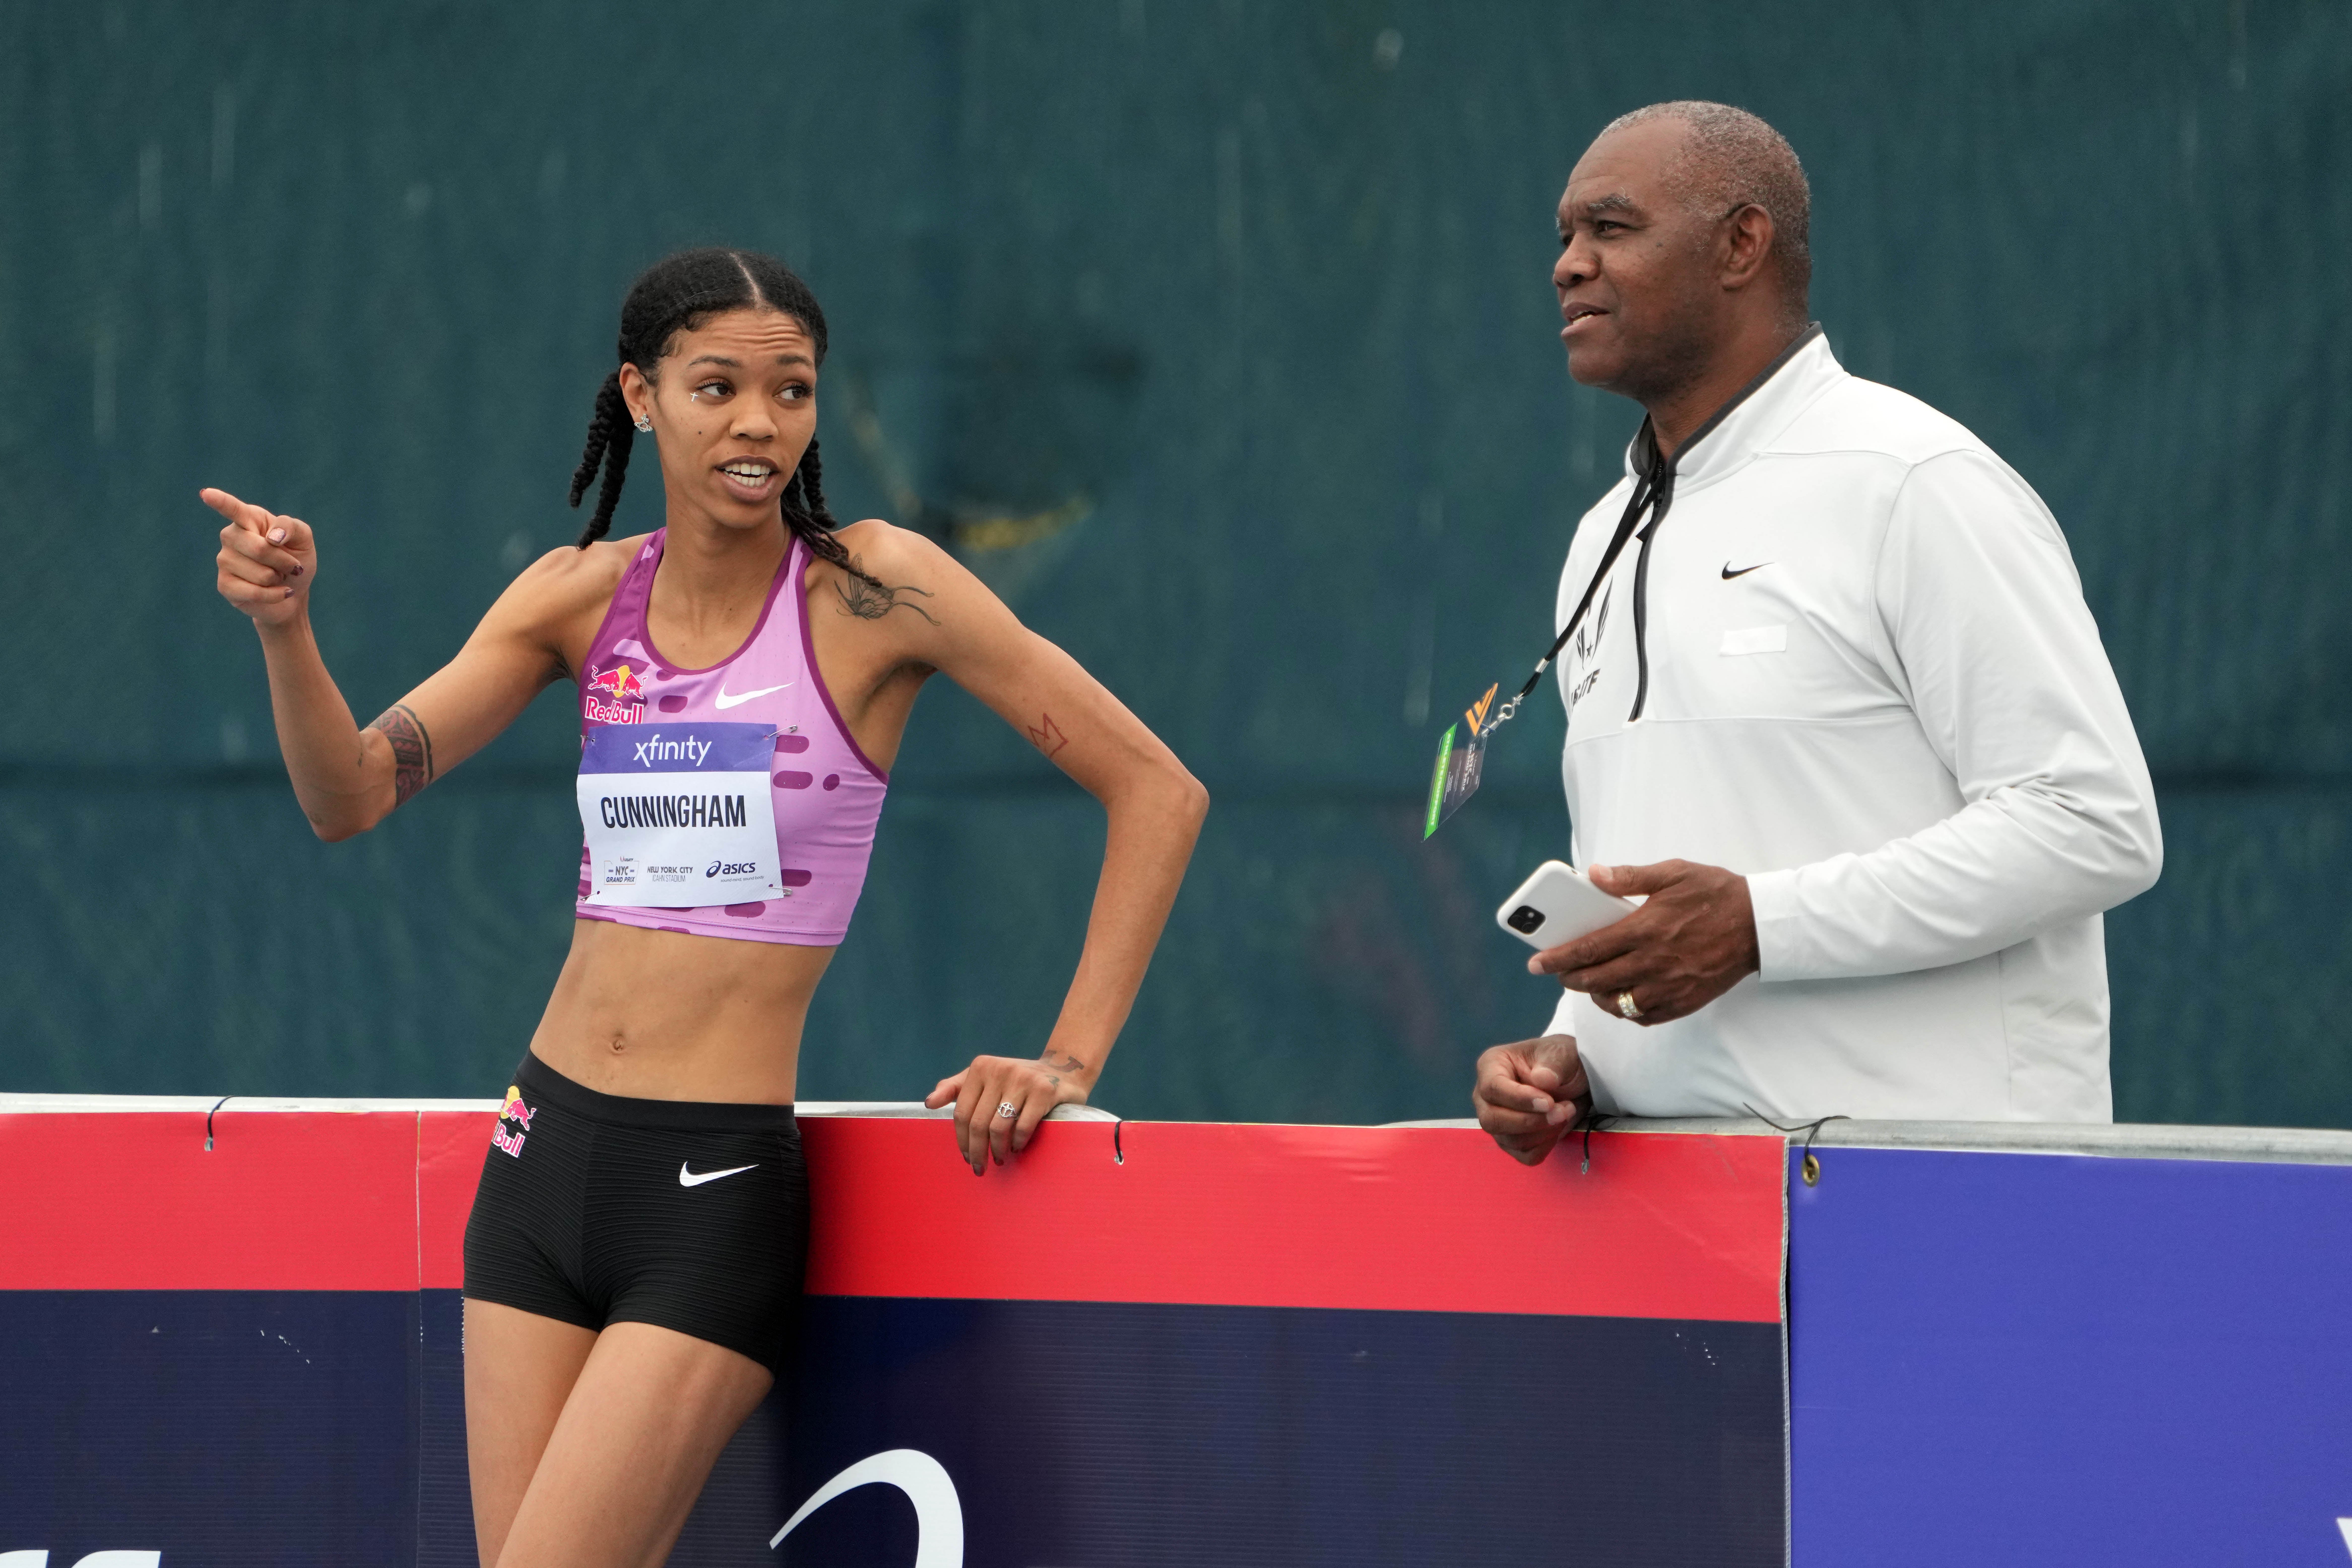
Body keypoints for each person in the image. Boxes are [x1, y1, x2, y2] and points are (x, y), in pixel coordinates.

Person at [206, 247, 1208, 1566]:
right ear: (640, 396)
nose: (758, 424)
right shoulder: (578, 598)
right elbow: (348, 796)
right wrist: (288, 631)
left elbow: (1156, 789)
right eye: (718, 386)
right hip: (535, 1164)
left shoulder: (873, 590)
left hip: (710, 1187)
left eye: (790, 392)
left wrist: (1070, 1058)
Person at [1472, 103, 2160, 1163]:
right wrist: (1578, 1049)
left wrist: (1759, 925)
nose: (1568, 266)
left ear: (1743, 244)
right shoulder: (1603, 535)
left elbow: (2092, 819)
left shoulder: (1915, 483)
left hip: (1939, 1195)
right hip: (1675, 1216)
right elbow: (1650, 883)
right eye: (1565, 236)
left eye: (1610, 229)